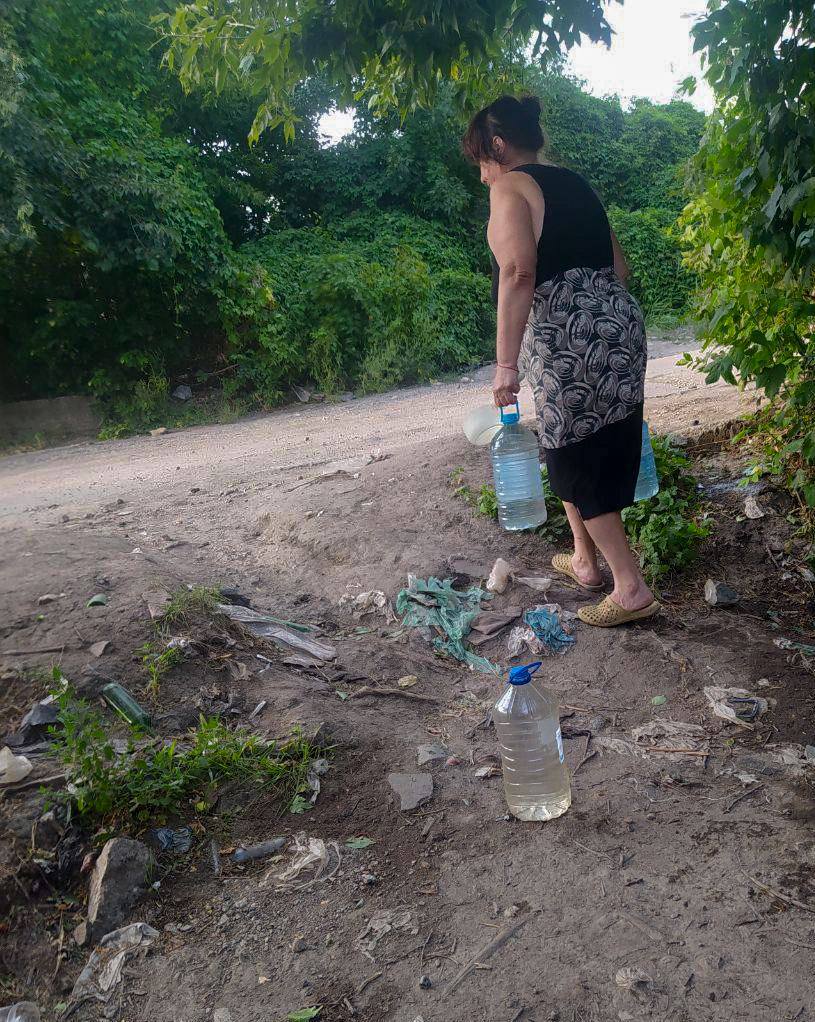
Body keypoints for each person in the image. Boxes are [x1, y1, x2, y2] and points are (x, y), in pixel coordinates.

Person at [462, 95, 659, 627]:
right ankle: (584, 561)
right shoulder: (575, 183)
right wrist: (597, 318)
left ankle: (630, 587)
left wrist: (506, 365)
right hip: (617, 324)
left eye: (482, 160)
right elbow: (620, 265)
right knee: (565, 441)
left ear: (498, 146)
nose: (483, 176)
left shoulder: (509, 187)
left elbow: (518, 274)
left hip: (566, 339)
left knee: (576, 456)